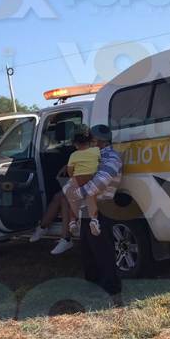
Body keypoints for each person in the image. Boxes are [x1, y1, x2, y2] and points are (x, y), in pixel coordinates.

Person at [64, 124, 122, 294]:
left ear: (97, 140)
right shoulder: (96, 155)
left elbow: (101, 182)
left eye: (91, 138)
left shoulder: (112, 156)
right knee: (89, 251)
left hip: (103, 207)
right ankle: (93, 285)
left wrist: (77, 193)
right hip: (89, 208)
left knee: (102, 250)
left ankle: (110, 287)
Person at [65, 131, 102, 237]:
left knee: (73, 199)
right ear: (90, 142)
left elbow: (70, 170)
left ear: (75, 144)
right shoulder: (96, 150)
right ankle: (94, 220)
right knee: (92, 199)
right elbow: (101, 161)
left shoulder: (73, 155)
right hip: (91, 178)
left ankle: (72, 221)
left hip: (78, 179)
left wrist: (72, 178)